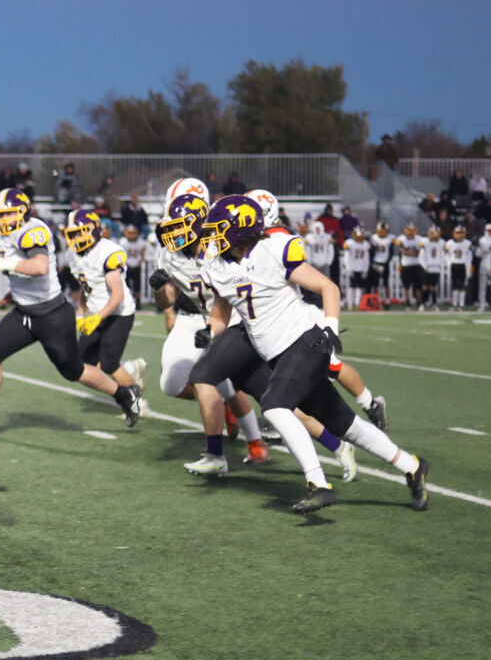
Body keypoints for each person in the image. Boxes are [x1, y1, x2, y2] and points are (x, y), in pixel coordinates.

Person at [196, 195, 429, 514]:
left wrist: (331, 329)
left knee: (275, 407)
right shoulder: (219, 265)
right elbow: (222, 310)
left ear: (239, 229)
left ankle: (318, 483)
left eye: (219, 229)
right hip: (279, 354)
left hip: (305, 341)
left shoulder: (272, 249)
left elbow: (328, 288)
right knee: (345, 425)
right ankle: (412, 465)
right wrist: (209, 330)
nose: (213, 236)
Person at [0, 189, 141, 440]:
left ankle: (124, 394)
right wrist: (14, 292)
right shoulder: (6, 233)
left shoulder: (33, 231)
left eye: (9, 213)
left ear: (22, 211)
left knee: (73, 371)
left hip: (51, 315)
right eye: (1, 214)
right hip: (24, 312)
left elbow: (39, 267)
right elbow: (24, 271)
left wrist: (8, 265)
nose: (4, 219)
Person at [145, 188, 269, 475]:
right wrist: (158, 289)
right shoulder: (169, 254)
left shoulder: (220, 247)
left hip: (232, 320)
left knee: (231, 382)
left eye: (180, 228)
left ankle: (254, 442)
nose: (174, 235)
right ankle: (222, 406)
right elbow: (167, 301)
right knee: (171, 384)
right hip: (195, 318)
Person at [60, 207, 146, 411]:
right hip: (98, 313)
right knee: (81, 363)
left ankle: (137, 402)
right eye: (73, 233)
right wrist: (81, 313)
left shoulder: (107, 251)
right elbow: (84, 286)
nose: (77, 237)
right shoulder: (73, 254)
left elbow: (117, 296)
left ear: (94, 230)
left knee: (108, 364)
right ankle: (129, 369)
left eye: (81, 231)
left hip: (118, 313)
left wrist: (96, 317)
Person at [395, 223, 425, 310]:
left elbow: (419, 252)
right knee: (406, 286)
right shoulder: (402, 238)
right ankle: (407, 303)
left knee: (418, 286)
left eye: (412, 230)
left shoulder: (419, 239)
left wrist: (409, 253)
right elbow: (403, 251)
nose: (411, 232)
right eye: (409, 230)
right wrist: (411, 253)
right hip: (406, 265)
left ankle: (420, 303)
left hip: (416, 264)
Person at [446, 225, 473, 310]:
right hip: (454, 265)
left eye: (461, 233)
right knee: (454, 285)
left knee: (462, 285)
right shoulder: (449, 243)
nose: (459, 235)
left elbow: (470, 256)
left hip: (463, 265)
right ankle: (454, 303)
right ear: (454, 233)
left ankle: (461, 304)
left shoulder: (467, 243)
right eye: (458, 233)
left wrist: (468, 267)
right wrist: (448, 264)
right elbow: (446, 255)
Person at [420, 227, 447, 308]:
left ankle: (434, 303)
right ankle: (423, 303)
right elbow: (421, 256)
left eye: (436, 233)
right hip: (427, 266)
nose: (434, 235)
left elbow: (443, 255)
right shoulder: (425, 242)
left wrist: (441, 265)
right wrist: (425, 266)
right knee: (425, 286)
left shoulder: (442, 242)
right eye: (433, 233)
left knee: (433, 287)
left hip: (436, 267)